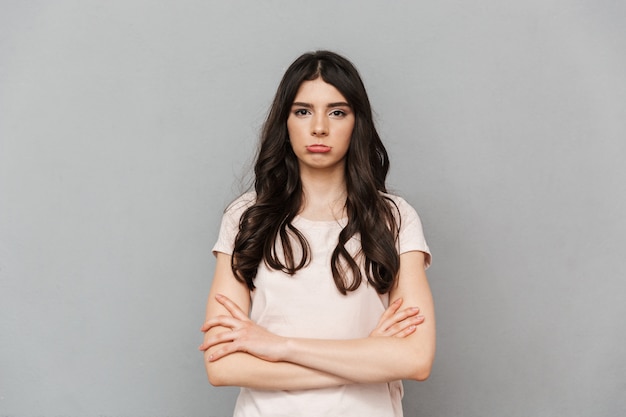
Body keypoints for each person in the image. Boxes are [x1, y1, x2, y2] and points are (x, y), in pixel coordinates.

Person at [199, 50, 435, 417]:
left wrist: (280, 346)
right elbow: (223, 366)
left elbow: (416, 359)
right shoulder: (246, 217)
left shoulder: (393, 218)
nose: (319, 127)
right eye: (303, 111)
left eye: (337, 112)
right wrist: (367, 355)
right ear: (285, 121)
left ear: (357, 122)